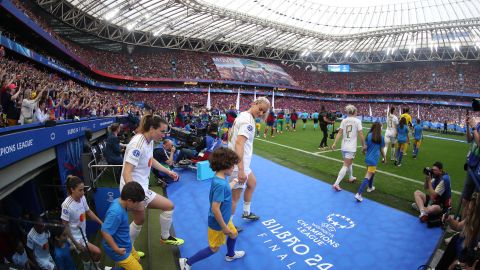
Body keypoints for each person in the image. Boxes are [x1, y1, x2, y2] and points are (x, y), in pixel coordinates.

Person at [120, 114, 184, 249]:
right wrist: (135, 197)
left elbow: (151, 160)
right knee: (139, 220)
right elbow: (127, 172)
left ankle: (164, 237)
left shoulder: (148, 141)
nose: (164, 135)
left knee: (166, 207)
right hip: (133, 190)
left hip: (140, 188)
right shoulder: (138, 144)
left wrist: (168, 171)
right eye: (161, 131)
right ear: (151, 128)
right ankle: (127, 250)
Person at [178, 148, 245, 270]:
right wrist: (224, 228)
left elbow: (225, 191)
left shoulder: (220, 179)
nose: (234, 168)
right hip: (218, 223)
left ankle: (230, 255)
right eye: (232, 166)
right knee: (214, 248)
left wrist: (235, 181)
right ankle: (187, 262)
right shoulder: (220, 184)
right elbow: (215, 208)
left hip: (224, 219)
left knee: (234, 234)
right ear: (225, 165)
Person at [228, 97, 270, 223]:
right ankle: (228, 224)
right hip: (238, 165)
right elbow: (239, 144)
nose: (261, 113)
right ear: (254, 104)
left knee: (252, 183)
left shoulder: (244, 115)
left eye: (264, 112)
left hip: (240, 163)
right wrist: (240, 169)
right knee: (234, 198)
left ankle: (246, 212)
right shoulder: (247, 121)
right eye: (260, 109)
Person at [61, 175, 103, 270]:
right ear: (72, 189)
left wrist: (101, 223)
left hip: (82, 234)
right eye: (80, 190)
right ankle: (92, 267)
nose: (83, 192)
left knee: (86, 255)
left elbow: (88, 211)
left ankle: (89, 266)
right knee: (97, 252)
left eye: (83, 189)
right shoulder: (66, 206)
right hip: (75, 237)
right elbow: (65, 227)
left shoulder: (82, 198)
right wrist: (75, 243)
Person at [102, 181, 146, 270]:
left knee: (137, 260)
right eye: (137, 203)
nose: (138, 205)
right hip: (118, 249)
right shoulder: (116, 212)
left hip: (125, 242)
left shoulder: (120, 202)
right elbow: (105, 232)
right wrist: (116, 249)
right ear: (129, 201)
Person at [332, 105, 366, 191]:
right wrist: (363, 145)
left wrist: (335, 143)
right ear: (354, 112)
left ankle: (350, 177)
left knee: (349, 162)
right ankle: (336, 184)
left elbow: (339, 133)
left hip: (343, 146)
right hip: (351, 147)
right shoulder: (357, 121)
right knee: (346, 165)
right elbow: (361, 134)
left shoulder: (344, 120)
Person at [355, 122, 385, 202]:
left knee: (372, 173)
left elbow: (365, 146)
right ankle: (359, 193)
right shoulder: (381, 137)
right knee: (368, 176)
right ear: (379, 128)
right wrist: (384, 158)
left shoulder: (369, 135)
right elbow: (382, 150)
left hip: (368, 158)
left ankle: (370, 187)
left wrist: (363, 151)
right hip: (374, 160)